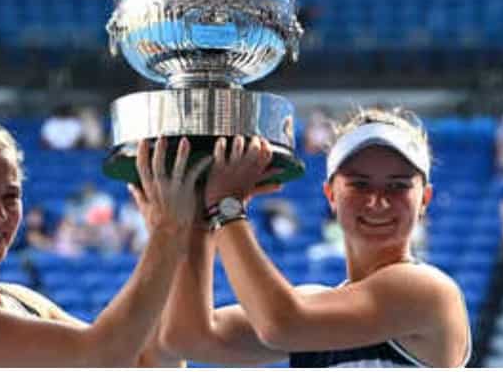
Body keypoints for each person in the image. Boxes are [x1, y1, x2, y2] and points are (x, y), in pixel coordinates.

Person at [0, 100, 211, 366]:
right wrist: (167, 232)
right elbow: (104, 358)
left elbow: (146, 363)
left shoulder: (19, 299)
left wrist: (196, 224)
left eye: (10, 197)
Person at [159, 107, 472, 367]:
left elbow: (280, 325)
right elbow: (189, 337)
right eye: (360, 184)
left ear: (425, 200)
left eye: (398, 185)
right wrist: (198, 218)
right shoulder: (311, 305)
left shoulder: (427, 292)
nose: (378, 201)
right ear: (330, 195)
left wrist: (226, 208)